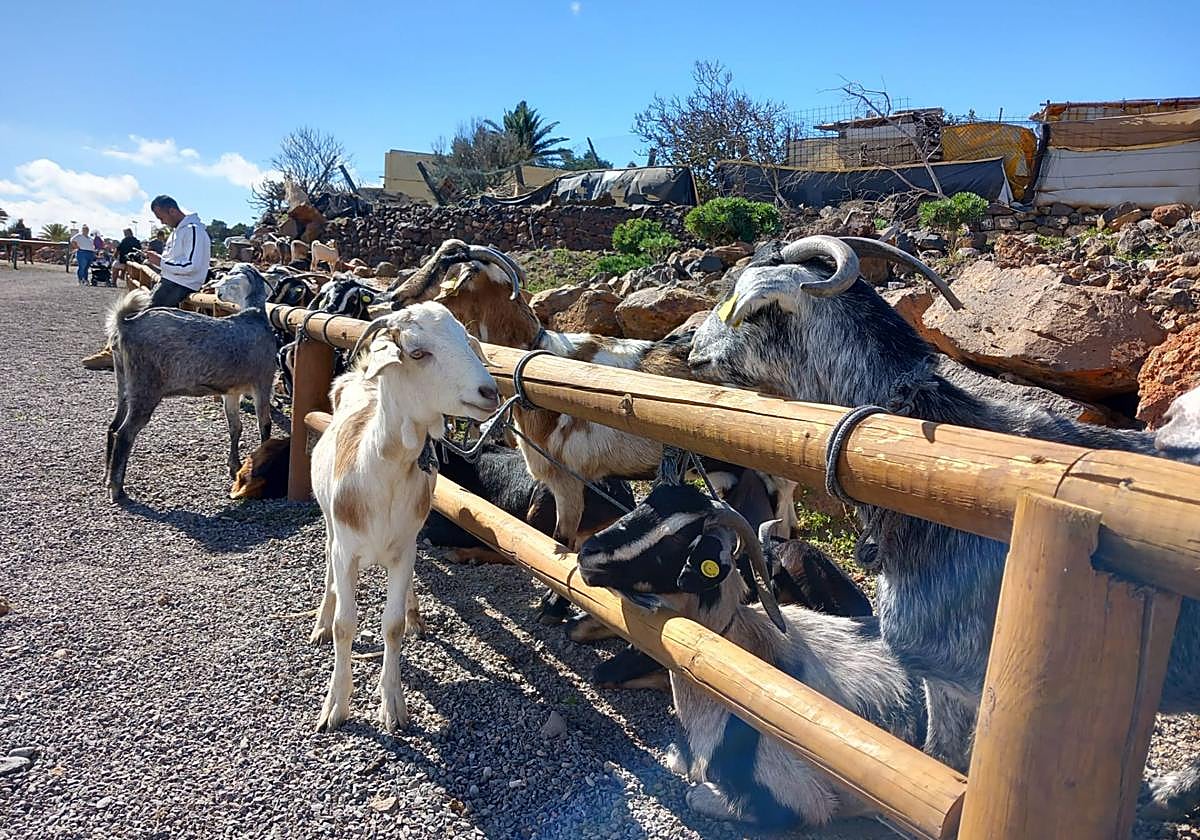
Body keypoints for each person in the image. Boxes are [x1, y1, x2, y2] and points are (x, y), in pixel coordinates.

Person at [83, 196, 212, 370]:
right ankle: (116, 351)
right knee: (137, 312)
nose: (162, 222)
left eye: (162, 217)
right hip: (172, 280)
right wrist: (158, 261)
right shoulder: (180, 231)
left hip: (180, 283)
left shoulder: (193, 230)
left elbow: (192, 265)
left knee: (138, 316)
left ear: (172, 211)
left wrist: (161, 262)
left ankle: (116, 354)